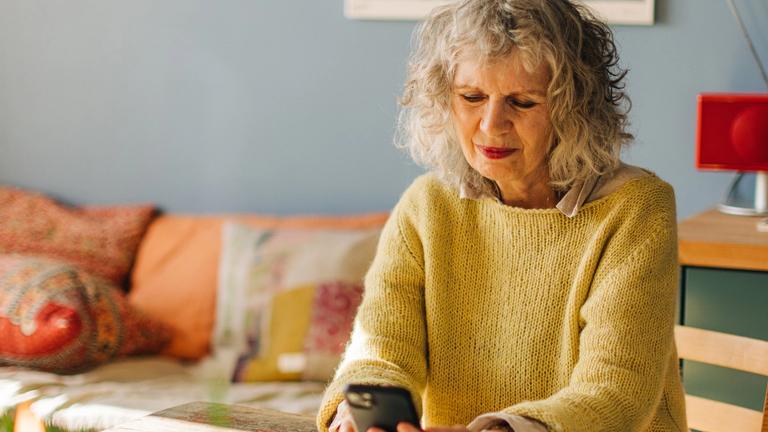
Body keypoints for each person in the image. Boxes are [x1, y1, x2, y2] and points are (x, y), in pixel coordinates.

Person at [317, 0, 687, 431]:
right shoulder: (427, 206)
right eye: (471, 97)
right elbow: (380, 347)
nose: (492, 125)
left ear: (574, 108)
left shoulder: (637, 209)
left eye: (523, 102)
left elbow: (615, 394)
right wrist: (358, 409)